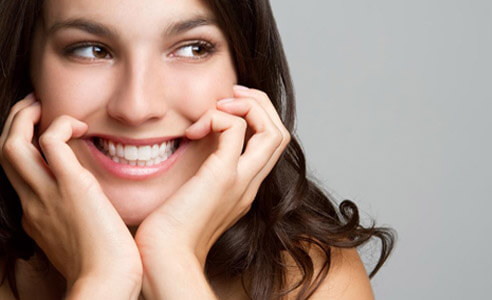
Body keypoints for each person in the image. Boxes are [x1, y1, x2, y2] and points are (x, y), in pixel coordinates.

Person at [0, 0, 395, 299]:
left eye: (191, 48)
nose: (138, 107)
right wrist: (102, 280)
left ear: (243, 71)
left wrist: (174, 268)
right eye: (91, 49)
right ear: (26, 67)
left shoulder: (309, 280)